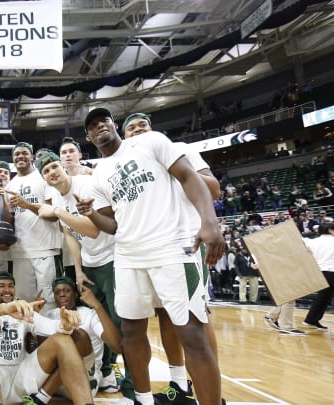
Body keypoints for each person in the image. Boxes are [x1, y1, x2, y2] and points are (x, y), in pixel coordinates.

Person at [76, 107, 225, 405]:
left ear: (113, 124)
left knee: (192, 334)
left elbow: (189, 177)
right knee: (131, 331)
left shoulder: (151, 142)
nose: (99, 126)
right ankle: (142, 400)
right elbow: (113, 226)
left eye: (103, 120)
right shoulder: (99, 174)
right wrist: (91, 213)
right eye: (92, 126)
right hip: (129, 256)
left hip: (172, 246)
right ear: (88, 136)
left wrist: (210, 222)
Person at [122, 112, 222, 405]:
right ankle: (180, 386)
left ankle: (213, 395)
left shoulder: (176, 148)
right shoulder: (128, 165)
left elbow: (213, 188)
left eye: (143, 125)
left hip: (186, 241)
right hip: (153, 247)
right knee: (167, 316)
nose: (138, 130)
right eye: (131, 127)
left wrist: (173, 171)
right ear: (124, 136)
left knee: (198, 320)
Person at [33, 152, 131, 398]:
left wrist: (57, 211)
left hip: (112, 258)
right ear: (44, 178)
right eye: (46, 171)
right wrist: (78, 269)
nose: (52, 172)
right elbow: (70, 235)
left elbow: (94, 230)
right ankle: (107, 371)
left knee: (122, 320)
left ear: (62, 166)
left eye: (54, 166)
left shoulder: (86, 185)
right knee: (101, 317)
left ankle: (131, 382)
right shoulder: (55, 194)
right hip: (89, 263)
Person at [0, 271, 96, 405]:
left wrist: (64, 325)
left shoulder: (21, 307)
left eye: (11, 286)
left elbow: (48, 326)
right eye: (1, 286)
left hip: (20, 379)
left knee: (62, 339)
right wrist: (4, 309)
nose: (7, 290)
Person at [29, 276, 122, 404]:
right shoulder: (50, 315)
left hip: (84, 380)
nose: (61, 294)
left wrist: (97, 305)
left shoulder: (89, 315)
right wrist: (36, 317)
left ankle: (40, 399)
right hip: (56, 383)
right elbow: (41, 350)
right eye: (57, 292)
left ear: (76, 294)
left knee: (77, 336)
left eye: (66, 291)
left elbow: (117, 346)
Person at [4, 142, 63, 308]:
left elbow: (54, 214)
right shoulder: (10, 185)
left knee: (49, 299)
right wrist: (6, 211)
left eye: (24, 153)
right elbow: (12, 222)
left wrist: (26, 205)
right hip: (20, 251)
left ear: (31, 156)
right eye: (16, 154)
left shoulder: (43, 178)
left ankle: (50, 333)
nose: (20, 156)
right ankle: (28, 334)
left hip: (45, 248)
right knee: (24, 300)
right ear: (13, 159)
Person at [301, 221, 334, 330]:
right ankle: (310, 320)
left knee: (324, 297)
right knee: (323, 297)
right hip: (330, 271)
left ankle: (313, 320)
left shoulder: (313, 241)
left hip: (318, 271)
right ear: (330, 230)